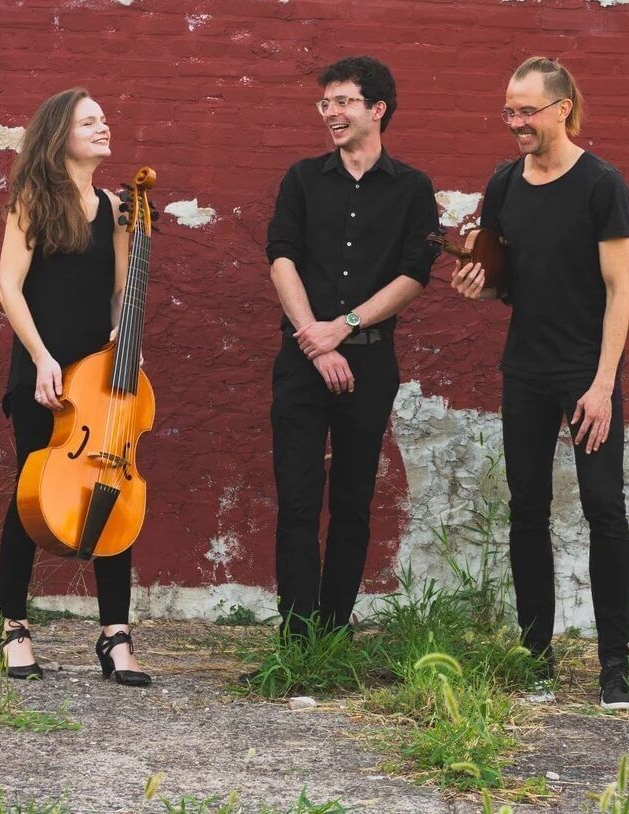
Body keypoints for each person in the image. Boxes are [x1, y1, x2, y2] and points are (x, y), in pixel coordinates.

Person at [450, 57, 629, 710]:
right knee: (527, 512)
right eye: (508, 111)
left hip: (588, 371)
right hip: (525, 370)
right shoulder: (503, 184)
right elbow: (500, 275)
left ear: (561, 109)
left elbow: (620, 290)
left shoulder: (601, 184)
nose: (515, 123)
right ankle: (536, 660)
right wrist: (478, 283)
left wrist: (603, 385)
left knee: (603, 510)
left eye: (526, 111)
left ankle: (616, 667)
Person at [265, 56, 440, 639]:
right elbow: (281, 257)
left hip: (369, 359)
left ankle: (333, 632)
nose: (331, 114)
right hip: (300, 357)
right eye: (326, 104)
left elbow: (416, 274)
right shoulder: (301, 178)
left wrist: (342, 327)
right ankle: (296, 636)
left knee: (353, 502)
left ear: (377, 109)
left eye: (343, 102)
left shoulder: (413, 188)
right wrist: (317, 340)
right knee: (296, 500)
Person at [0, 88, 150, 685]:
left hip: (99, 377)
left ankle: (115, 636)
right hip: (43, 370)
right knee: (29, 495)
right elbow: (9, 287)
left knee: (114, 483)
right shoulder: (34, 200)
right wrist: (40, 358)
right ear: (61, 135)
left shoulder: (115, 205)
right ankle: (14, 627)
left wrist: (124, 328)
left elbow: (117, 290)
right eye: (91, 122)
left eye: (106, 118)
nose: (104, 127)